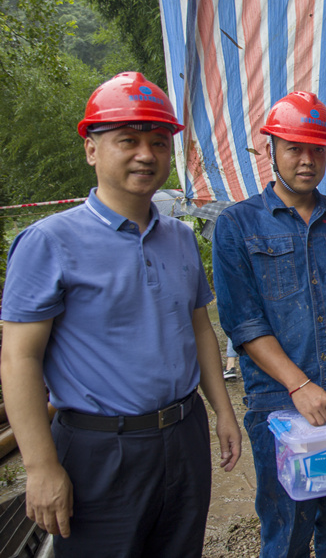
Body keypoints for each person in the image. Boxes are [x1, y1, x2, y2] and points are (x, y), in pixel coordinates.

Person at [0, 72, 241, 557]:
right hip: (99, 450)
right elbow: (19, 358)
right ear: (92, 149)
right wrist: (41, 467)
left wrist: (222, 411)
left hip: (183, 434)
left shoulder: (180, 237)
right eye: (127, 140)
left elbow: (199, 327)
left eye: (158, 142)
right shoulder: (49, 242)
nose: (146, 155)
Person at [212, 92, 326, 558]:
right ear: (271, 150)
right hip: (279, 403)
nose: (307, 160)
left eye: (317, 149)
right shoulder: (237, 225)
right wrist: (299, 385)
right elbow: (243, 324)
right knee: (287, 529)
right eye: (294, 148)